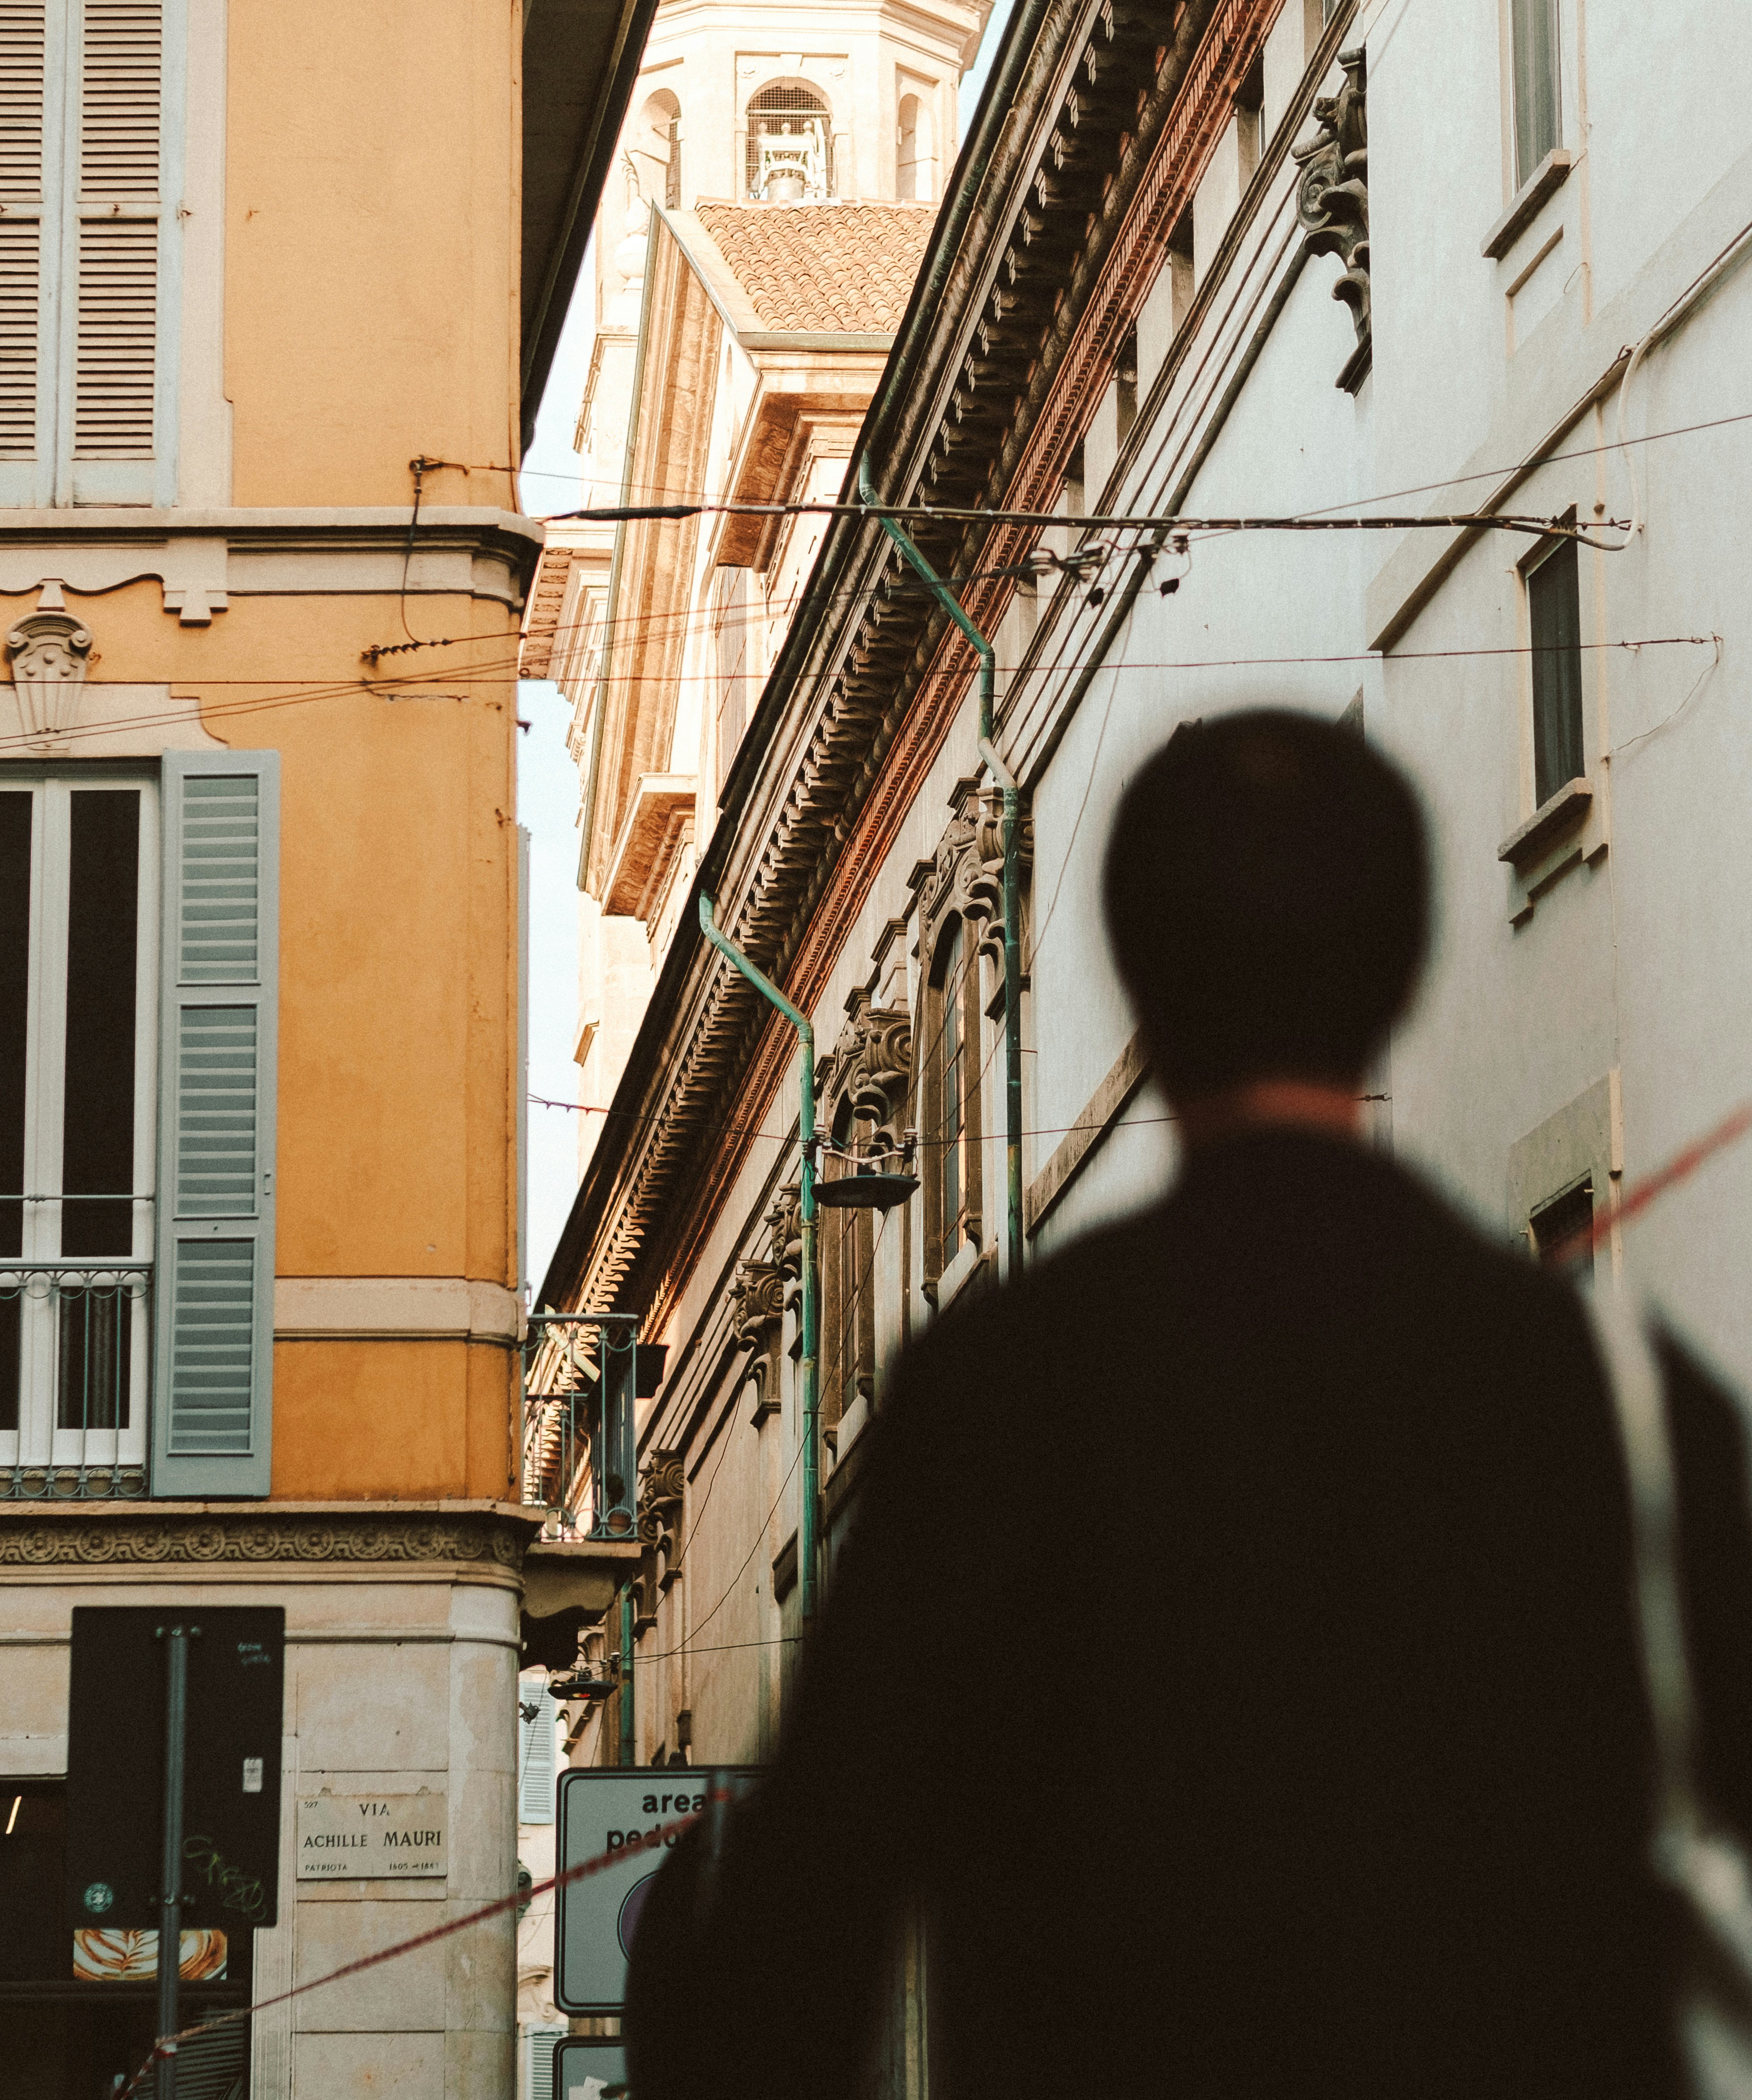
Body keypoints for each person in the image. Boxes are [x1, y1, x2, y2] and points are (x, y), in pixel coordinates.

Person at [626, 709, 1752, 2100]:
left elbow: (791, 1981)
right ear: (1400, 971)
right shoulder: (1625, 1399)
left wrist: (682, 1962)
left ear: (1144, 996)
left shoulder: (995, 1404)